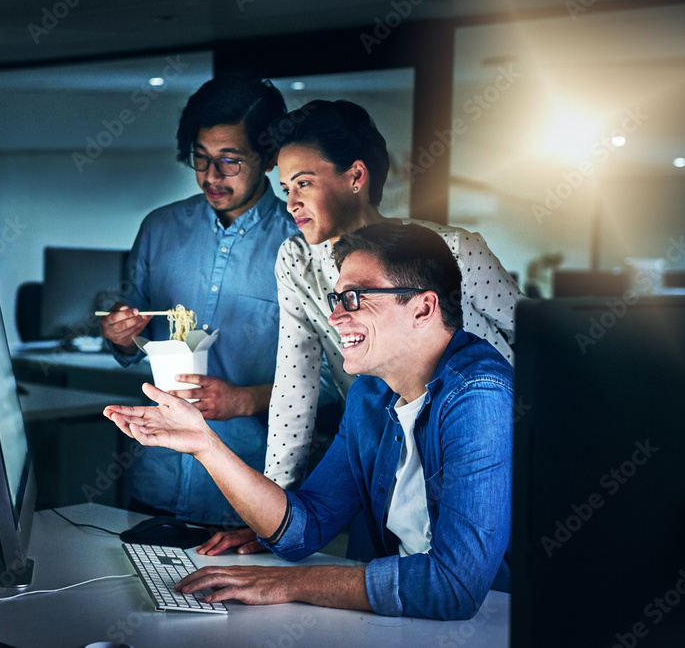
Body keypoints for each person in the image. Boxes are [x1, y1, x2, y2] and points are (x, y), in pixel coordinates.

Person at [103, 223, 513, 620]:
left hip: (487, 626)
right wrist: (205, 444)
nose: (335, 318)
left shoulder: (478, 396)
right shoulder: (371, 394)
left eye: (354, 298)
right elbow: (307, 527)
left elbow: (455, 586)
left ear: (423, 308)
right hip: (405, 625)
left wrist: (288, 584)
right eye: (337, 300)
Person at [264, 99, 524, 492]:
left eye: (303, 183)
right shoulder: (296, 261)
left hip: (489, 442)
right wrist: (271, 510)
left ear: (355, 176)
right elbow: (293, 386)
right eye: (286, 188)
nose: (291, 202)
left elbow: (541, 342)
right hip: (392, 450)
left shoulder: (453, 247)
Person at [99, 75, 296, 526]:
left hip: (252, 490)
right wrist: (122, 335)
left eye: (229, 162)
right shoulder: (160, 228)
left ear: (267, 158)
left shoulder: (303, 244)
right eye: (200, 159)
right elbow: (132, 340)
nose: (210, 177)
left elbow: (339, 379)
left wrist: (245, 400)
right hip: (156, 476)